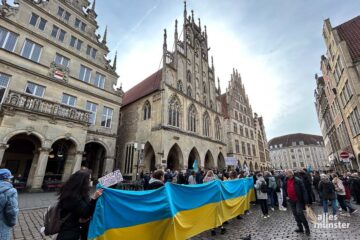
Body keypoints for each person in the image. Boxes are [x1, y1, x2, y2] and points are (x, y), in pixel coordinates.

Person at [57, 169, 103, 240]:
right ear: (83, 181)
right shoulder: (72, 196)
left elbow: (86, 209)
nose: (91, 181)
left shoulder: (81, 192)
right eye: (90, 179)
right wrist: (94, 198)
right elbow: (86, 213)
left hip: (78, 229)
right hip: (71, 232)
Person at [284, 170, 310, 236]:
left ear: (291, 174)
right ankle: (300, 228)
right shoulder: (285, 180)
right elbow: (284, 189)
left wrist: (306, 200)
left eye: (287, 173)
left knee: (300, 213)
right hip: (291, 200)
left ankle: (307, 228)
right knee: (295, 214)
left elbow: (304, 190)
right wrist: (286, 196)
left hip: (298, 199)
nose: (286, 174)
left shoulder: (298, 180)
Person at [203, 170, 226, 236]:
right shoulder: (215, 179)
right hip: (216, 199)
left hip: (209, 200)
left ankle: (213, 230)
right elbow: (221, 184)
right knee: (218, 214)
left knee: (211, 214)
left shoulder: (205, 179)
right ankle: (221, 228)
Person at [0, 169, 18, 240]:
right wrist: (12, 223)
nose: (10, 180)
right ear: (6, 179)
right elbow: (12, 211)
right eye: (9, 179)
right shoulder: (10, 191)